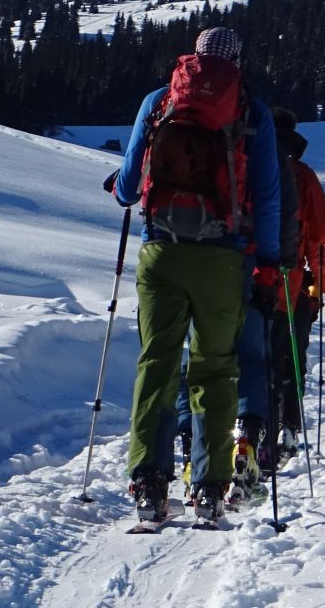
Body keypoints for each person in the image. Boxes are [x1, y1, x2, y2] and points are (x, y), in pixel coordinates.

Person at [112, 26, 280, 525]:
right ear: (238, 62)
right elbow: (268, 196)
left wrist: (125, 193)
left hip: (161, 252)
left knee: (157, 365)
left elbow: (127, 185)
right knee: (215, 369)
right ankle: (209, 489)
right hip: (223, 260)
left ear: (193, 56)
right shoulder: (252, 111)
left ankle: (149, 485)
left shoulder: (160, 100)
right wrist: (268, 262)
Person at [269, 108, 325, 457]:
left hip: (240, 276)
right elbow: (321, 233)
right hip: (288, 280)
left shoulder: (243, 158)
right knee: (291, 357)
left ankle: (249, 431)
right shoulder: (301, 173)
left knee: (254, 355)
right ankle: (289, 427)